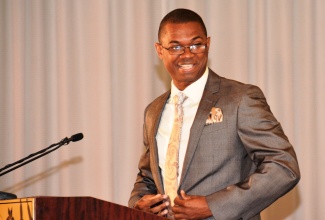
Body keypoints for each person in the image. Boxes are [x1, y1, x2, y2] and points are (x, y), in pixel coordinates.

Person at [128, 8, 300, 220]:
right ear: (159, 50)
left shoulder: (240, 98)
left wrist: (214, 206)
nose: (187, 54)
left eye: (196, 44)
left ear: (208, 44)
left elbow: (283, 166)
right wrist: (138, 202)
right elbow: (147, 177)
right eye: (175, 47)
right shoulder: (153, 111)